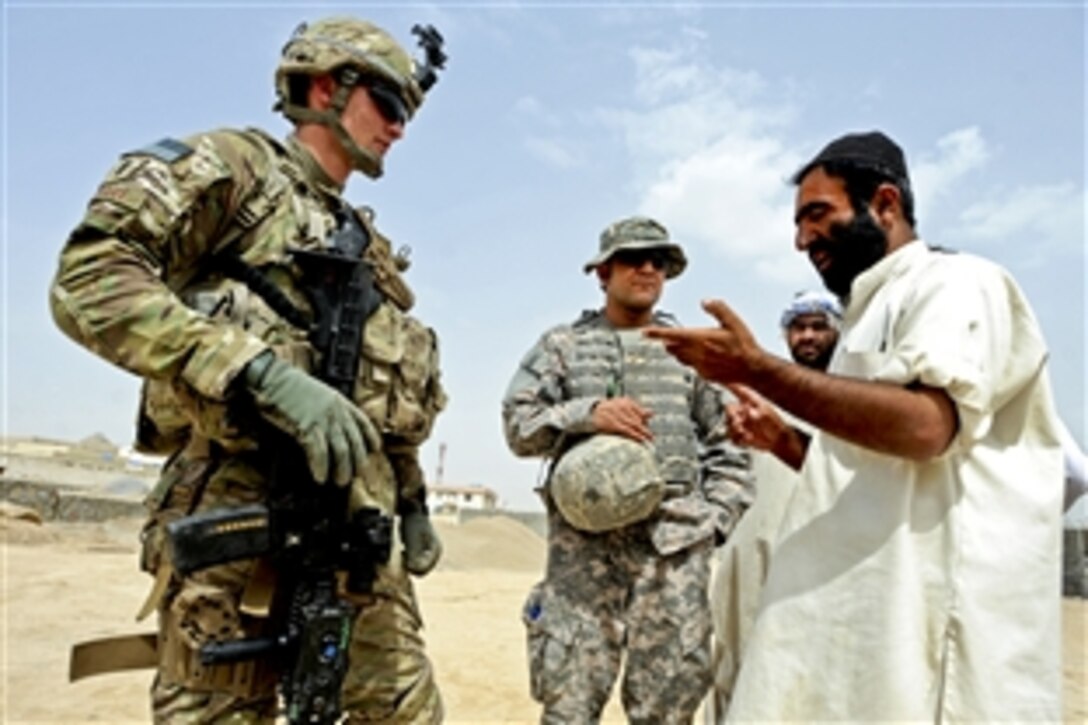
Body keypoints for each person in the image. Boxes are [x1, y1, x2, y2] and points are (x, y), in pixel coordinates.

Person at [50, 16, 448, 723]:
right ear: (328, 87)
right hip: (234, 519)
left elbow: (386, 402)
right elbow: (91, 276)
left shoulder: (371, 250)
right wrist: (257, 371)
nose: (400, 128)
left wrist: (412, 503)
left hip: (357, 538)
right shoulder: (235, 170)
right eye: (389, 105)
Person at [647, 131, 1064, 721]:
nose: (802, 239)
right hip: (858, 634)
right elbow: (870, 474)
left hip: (926, 641)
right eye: (797, 224)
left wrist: (759, 369)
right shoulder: (867, 315)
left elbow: (925, 428)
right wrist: (785, 441)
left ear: (885, 204)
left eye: (818, 215)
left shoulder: (957, 283)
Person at [501, 216, 753, 724]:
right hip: (582, 557)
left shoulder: (691, 352)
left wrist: (715, 520)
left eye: (657, 261)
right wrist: (586, 415)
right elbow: (518, 425)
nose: (646, 269)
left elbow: (732, 439)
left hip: (672, 555)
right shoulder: (563, 347)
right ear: (603, 272)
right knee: (567, 704)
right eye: (632, 259)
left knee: (668, 707)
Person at [705, 290, 841, 719]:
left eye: (819, 326)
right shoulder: (761, 396)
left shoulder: (853, 396)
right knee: (736, 654)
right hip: (752, 549)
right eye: (799, 328)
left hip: (821, 554)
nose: (808, 336)